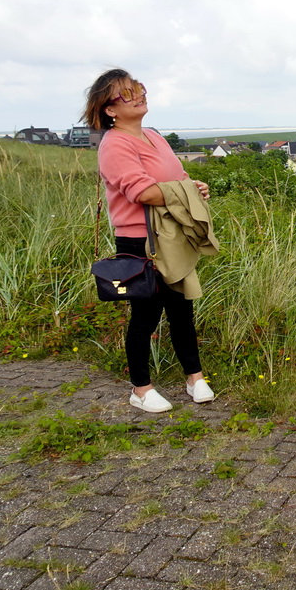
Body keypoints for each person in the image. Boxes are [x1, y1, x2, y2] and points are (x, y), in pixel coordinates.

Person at [82, 68, 215, 413]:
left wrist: (195, 185)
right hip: (141, 243)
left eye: (139, 89)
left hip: (173, 237)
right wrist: (185, 192)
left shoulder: (155, 136)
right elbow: (144, 193)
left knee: (182, 310)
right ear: (110, 109)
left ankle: (194, 378)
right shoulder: (114, 144)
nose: (138, 95)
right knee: (146, 316)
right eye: (126, 94)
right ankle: (141, 389)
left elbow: (177, 177)